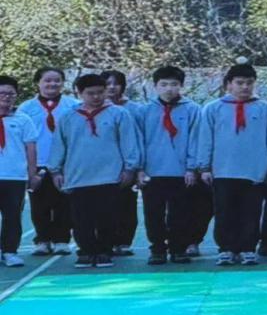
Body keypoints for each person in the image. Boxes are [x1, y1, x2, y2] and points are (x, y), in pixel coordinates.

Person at [48, 74, 140, 268]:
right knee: (81, 219)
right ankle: (86, 251)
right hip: (78, 175)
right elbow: (59, 145)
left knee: (108, 217)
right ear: (79, 93)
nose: (96, 97)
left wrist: (130, 168)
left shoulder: (119, 114)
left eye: (100, 92)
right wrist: (56, 171)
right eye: (91, 93)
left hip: (110, 175)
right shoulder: (68, 117)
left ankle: (105, 250)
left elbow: (129, 142)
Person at [198, 63, 267, 266]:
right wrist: (204, 167)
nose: (245, 87)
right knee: (224, 212)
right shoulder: (213, 108)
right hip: (223, 170)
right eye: (240, 83)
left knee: (251, 212)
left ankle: (248, 248)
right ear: (229, 84)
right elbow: (205, 139)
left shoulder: (264, 108)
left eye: (249, 83)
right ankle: (226, 248)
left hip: (255, 170)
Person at [138, 66, 201, 265]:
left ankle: (178, 248)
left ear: (181, 85)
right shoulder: (144, 111)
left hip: (181, 172)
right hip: (153, 171)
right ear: (155, 86)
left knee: (181, 213)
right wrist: (140, 169)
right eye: (163, 84)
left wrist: (191, 168)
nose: (169, 89)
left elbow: (196, 140)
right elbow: (138, 141)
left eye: (174, 84)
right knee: (153, 213)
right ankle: (157, 249)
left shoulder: (192, 109)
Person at [17, 67, 78, 256]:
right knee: (39, 205)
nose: (52, 84)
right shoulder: (26, 108)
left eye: (57, 80)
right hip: (38, 163)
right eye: (47, 80)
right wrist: (29, 168)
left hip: (65, 163)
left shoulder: (73, 105)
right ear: (38, 83)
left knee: (64, 203)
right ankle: (42, 240)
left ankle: (61, 240)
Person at [100, 70, 144, 257]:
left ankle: (124, 241)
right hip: (103, 167)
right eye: (107, 83)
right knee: (103, 207)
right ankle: (105, 241)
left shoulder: (135, 109)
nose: (112, 87)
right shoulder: (92, 109)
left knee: (126, 205)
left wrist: (137, 167)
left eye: (116, 83)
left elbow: (141, 138)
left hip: (128, 165)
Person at [0, 76, 38, 267]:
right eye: (2, 93)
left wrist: (32, 174)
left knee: (13, 216)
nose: (6, 97)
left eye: (10, 94)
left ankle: (10, 251)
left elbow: (31, 148)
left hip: (14, 176)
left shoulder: (23, 119)